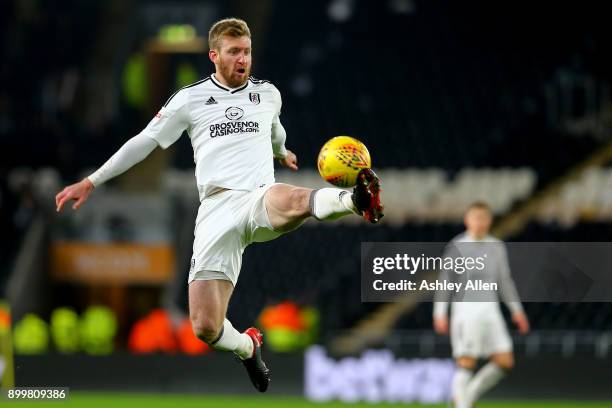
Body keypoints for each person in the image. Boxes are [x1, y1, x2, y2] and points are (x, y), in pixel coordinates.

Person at [55, 18, 383, 392]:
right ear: (214, 55)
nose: (243, 59)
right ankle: (247, 346)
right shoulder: (189, 100)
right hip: (214, 209)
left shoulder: (268, 93)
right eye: (234, 52)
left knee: (293, 198)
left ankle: (356, 199)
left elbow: (275, 129)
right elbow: (143, 142)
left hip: (258, 195)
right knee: (206, 327)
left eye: (247, 51)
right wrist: (91, 180)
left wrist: (281, 151)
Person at [433, 201, 529, 408]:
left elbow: (505, 281)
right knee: (467, 362)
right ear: (467, 220)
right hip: (466, 313)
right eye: (476, 217)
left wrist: (517, 311)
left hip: (491, 312)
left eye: (483, 217)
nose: (480, 222)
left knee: (505, 361)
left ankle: (466, 396)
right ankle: (463, 405)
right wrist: (440, 312)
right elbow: (445, 282)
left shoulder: (496, 247)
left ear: (490, 220)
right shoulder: (457, 246)